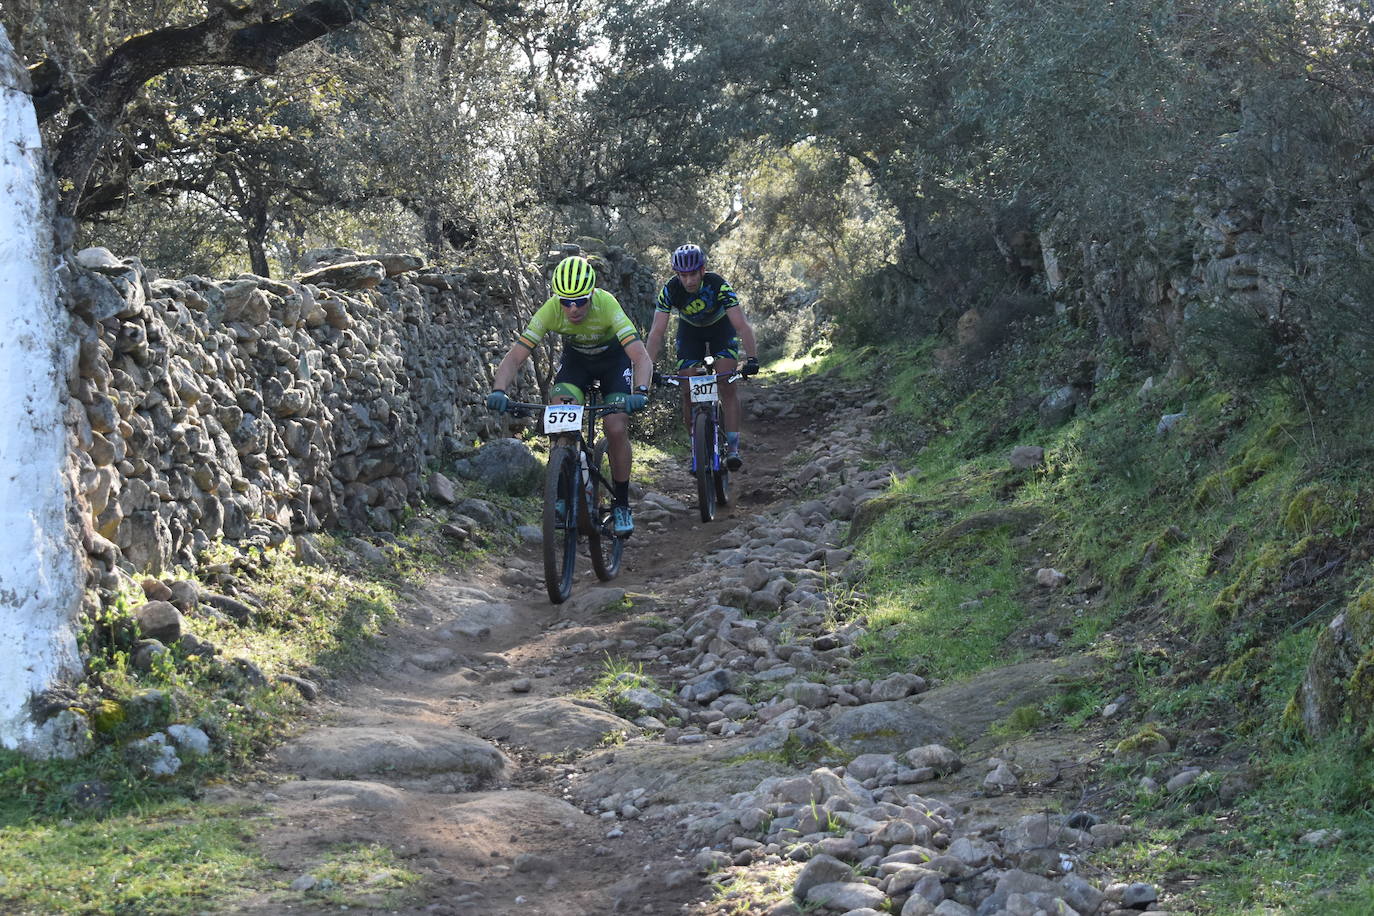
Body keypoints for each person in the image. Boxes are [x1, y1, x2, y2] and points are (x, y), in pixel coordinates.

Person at [486, 255, 652, 536]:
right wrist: (499, 390)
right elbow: (515, 357)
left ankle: (621, 503)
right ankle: (562, 494)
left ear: (592, 295)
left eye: (580, 301)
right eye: (565, 301)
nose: (572, 309)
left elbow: (640, 357)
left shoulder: (607, 305)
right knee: (562, 420)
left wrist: (641, 391)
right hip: (577, 363)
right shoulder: (551, 310)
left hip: (614, 362)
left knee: (615, 426)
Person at [645, 243, 759, 469]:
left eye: (693, 274)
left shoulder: (718, 285)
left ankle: (733, 448)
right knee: (687, 388)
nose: (688, 280)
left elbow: (742, 325)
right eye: (683, 275)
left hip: (720, 329)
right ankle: (696, 449)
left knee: (726, 382)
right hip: (690, 334)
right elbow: (657, 332)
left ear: (702, 270)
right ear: (677, 274)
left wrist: (752, 359)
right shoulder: (670, 289)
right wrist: (648, 368)